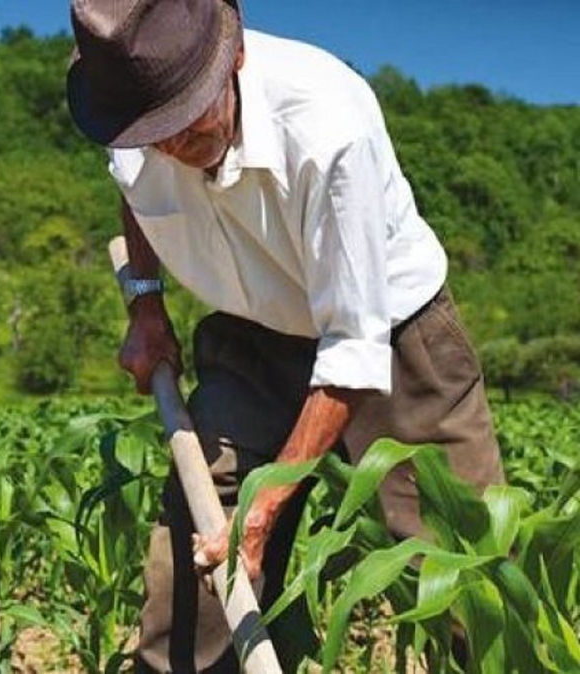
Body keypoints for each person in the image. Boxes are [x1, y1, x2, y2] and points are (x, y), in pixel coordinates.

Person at [66, 0, 505, 671]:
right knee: (201, 542)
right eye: (154, 133)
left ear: (235, 57)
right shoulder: (126, 106)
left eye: (186, 120)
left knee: (459, 569)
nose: (170, 146)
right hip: (252, 331)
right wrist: (146, 306)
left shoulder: (328, 127)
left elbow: (353, 348)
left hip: (391, 337)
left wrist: (265, 511)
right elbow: (136, 191)